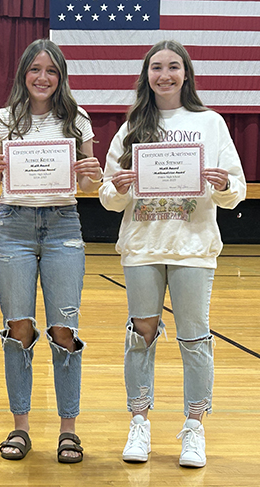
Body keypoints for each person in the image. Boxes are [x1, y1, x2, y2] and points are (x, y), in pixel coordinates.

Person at [98, 40, 246, 468]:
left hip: (193, 247)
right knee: (141, 334)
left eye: (173, 67)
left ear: (186, 74)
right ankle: (139, 422)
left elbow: (236, 191)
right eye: (157, 67)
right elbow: (108, 196)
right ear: (146, 75)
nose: (165, 75)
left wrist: (223, 185)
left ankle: (194, 427)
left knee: (194, 336)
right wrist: (118, 188)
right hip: (142, 246)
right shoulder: (132, 127)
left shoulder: (210, 123)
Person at [0, 39, 103, 462]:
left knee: (64, 330)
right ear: (23, 74)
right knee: (19, 329)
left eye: (51, 70)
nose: (43, 77)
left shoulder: (77, 120)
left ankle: (69, 430)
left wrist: (93, 173)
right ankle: (21, 427)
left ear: (60, 76)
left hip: (63, 226)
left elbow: (87, 186)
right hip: (13, 226)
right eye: (35, 69)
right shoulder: (0, 122)